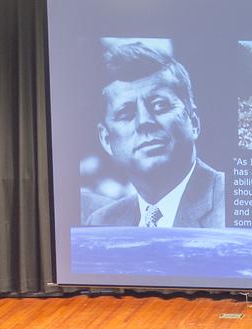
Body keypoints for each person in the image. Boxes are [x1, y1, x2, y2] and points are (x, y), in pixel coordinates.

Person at [86, 42, 224, 228]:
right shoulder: (101, 223)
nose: (144, 121)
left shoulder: (231, 201)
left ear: (193, 122)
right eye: (126, 114)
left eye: (159, 105)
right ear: (106, 139)